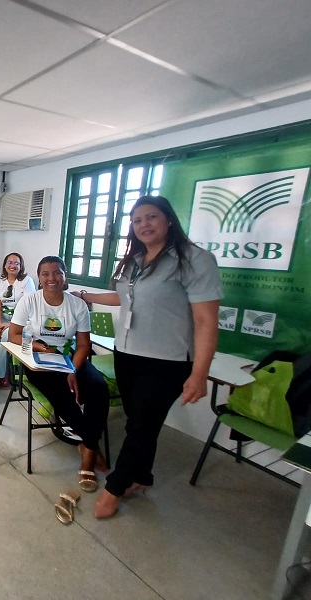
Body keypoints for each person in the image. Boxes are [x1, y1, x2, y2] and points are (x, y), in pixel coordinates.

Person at [75, 196, 221, 519]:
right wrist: (84, 296)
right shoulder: (134, 259)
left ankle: (114, 489)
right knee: (140, 422)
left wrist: (200, 373)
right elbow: (123, 297)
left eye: (151, 217)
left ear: (169, 220)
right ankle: (141, 477)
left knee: (141, 426)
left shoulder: (195, 260)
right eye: (137, 220)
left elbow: (206, 321)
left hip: (166, 361)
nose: (144, 224)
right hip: (126, 354)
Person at [9, 256, 110, 492]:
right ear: (39, 277)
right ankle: (90, 447)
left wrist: (72, 369)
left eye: (57, 273)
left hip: (69, 357)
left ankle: (86, 444)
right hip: (37, 358)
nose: (51, 278)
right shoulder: (29, 301)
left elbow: (84, 345)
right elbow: (14, 336)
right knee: (61, 393)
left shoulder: (77, 305)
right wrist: (38, 347)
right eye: (45, 273)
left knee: (98, 388)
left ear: (65, 276)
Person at [0, 253, 36, 387]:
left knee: (5, 339)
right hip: (2, 317)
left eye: (16, 263)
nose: (13, 266)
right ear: (5, 265)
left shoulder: (27, 281)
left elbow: (28, 307)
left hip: (21, 320)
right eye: (10, 262)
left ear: (21, 267)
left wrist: (10, 325)